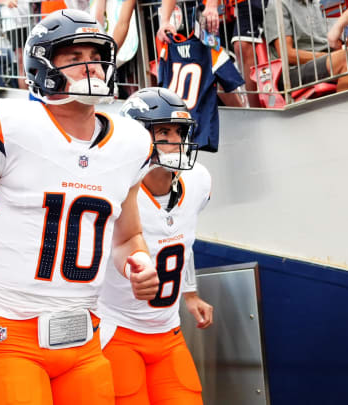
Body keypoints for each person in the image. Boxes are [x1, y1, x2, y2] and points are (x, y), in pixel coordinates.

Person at [0, 9, 160, 405]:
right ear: (43, 66)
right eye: (73, 56)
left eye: (95, 55)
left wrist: (139, 261)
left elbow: (128, 235)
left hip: (84, 334)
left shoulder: (130, 143)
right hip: (10, 332)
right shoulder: (15, 125)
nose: (91, 67)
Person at [97, 87, 213, 405]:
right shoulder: (112, 188)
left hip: (168, 331)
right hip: (116, 329)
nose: (176, 141)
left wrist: (189, 292)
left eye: (179, 131)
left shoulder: (199, 182)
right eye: (163, 131)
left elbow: (182, 240)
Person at [263, 0, 348, 92]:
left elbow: (335, 43)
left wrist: (342, 49)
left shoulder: (316, 4)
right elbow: (287, 54)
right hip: (292, 71)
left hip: (324, 60)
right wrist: (331, 56)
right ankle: (346, 110)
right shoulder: (278, 5)